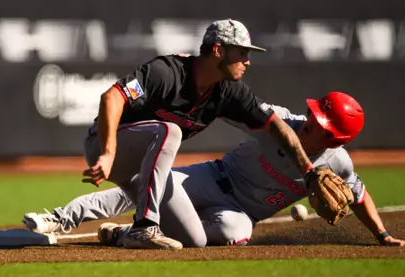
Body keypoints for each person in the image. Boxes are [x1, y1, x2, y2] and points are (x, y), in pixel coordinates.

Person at [53, 19, 321, 250]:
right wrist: (109, 153)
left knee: (194, 240)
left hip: (143, 163)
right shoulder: (167, 73)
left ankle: (119, 234)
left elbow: (277, 126)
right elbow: (111, 97)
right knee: (170, 130)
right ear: (218, 50)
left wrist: (308, 173)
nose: (247, 62)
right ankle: (142, 226)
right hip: (104, 146)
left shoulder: (228, 92)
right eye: (241, 53)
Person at [23, 92, 405, 247]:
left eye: (321, 123)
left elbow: (359, 194)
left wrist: (382, 234)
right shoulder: (283, 122)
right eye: (316, 113)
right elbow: (236, 106)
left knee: (230, 234)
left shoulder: (337, 163)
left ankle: (126, 233)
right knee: (144, 185)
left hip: (239, 213)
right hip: (210, 178)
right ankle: (59, 218)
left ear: (335, 139)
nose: (311, 120)